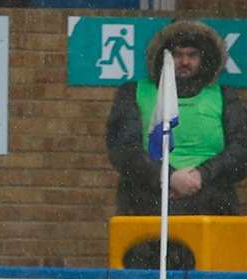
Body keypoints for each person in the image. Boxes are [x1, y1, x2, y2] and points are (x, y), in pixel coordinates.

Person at [106, 20, 247, 218]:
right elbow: (124, 150)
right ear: (163, 57)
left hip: (212, 206)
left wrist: (202, 175)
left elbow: (241, 149)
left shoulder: (224, 96)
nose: (185, 62)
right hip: (148, 204)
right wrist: (167, 177)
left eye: (192, 55)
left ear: (204, 58)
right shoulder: (134, 92)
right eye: (177, 55)